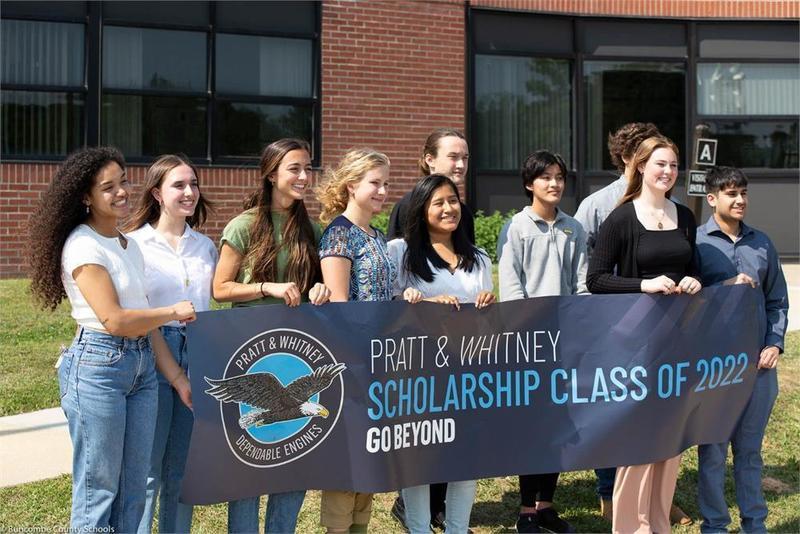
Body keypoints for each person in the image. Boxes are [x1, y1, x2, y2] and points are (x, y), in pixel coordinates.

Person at [28, 147, 195, 532]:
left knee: (133, 487)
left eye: (123, 182)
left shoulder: (127, 245)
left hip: (142, 368)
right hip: (98, 369)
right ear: (86, 197)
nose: (121, 192)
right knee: (99, 489)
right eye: (108, 187)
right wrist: (173, 311)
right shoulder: (82, 245)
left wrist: (177, 379)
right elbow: (115, 319)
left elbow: (144, 323)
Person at [212, 138, 331, 533]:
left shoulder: (312, 229)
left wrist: (320, 288)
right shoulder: (243, 225)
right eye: (294, 168)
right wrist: (267, 287)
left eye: (307, 168)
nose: (304, 176)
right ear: (271, 174)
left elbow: (320, 286)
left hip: (296, 352)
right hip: (252, 350)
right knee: (250, 461)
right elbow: (220, 289)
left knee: (292, 458)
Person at [574, 122, 689, 526]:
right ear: (640, 166)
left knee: (669, 436)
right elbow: (596, 279)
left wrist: (693, 280)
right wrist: (644, 284)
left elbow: (688, 267)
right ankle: (630, 524)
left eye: (673, 165)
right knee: (636, 437)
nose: (668, 171)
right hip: (633, 342)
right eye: (660, 164)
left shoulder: (684, 216)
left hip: (674, 341)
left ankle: (658, 521)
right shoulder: (621, 218)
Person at [388, 174, 495, 534]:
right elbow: (388, 307)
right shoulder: (400, 252)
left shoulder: (479, 258)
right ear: (422, 210)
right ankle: (419, 529)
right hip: (419, 373)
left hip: (467, 373)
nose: (449, 208)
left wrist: (488, 305)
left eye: (453, 200)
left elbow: (488, 325)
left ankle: (457, 529)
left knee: (465, 461)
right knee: (420, 460)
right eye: (439, 203)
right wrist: (424, 302)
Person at [125, 154, 218, 534]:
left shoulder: (206, 246)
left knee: (182, 470)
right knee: (147, 470)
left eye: (193, 184)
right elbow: (137, 314)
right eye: (179, 185)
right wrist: (174, 373)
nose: (189, 192)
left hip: (198, 352)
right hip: (152, 353)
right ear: (157, 193)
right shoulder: (134, 245)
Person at [695, 166, 789, 534]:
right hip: (715, 368)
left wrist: (774, 343)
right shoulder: (697, 244)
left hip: (758, 366)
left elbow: (777, 300)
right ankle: (715, 525)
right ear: (712, 198)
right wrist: (724, 287)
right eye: (731, 193)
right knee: (713, 453)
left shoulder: (762, 243)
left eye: (743, 193)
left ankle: (755, 524)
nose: (739, 200)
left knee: (749, 453)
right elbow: (687, 304)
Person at [499, 150, 586, 533]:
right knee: (531, 428)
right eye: (546, 177)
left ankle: (546, 504)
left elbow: (581, 284)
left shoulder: (574, 228)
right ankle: (526, 510)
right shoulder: (516, 227)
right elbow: (511, 288)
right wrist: (526, 333)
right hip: (530, 344)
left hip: (566, 342)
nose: (554, 184)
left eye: (559, 177)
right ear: (529, 184)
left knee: (558, 426)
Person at [316, 148, 395, 533]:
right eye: (374, 183)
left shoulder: (378, 235)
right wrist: (359, 364)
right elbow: (339, 306)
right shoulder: (339, 234)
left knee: (369, 457)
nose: (382, 191)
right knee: (348, 458)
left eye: (385, 183)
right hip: (351, 363)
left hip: (380, 360)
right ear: (351, 185)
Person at [388, 128, 475, 244]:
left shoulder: (463, 213)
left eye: (465, 158)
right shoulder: (410, 205)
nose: (461, 165)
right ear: (430, 160)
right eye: (453, 157)